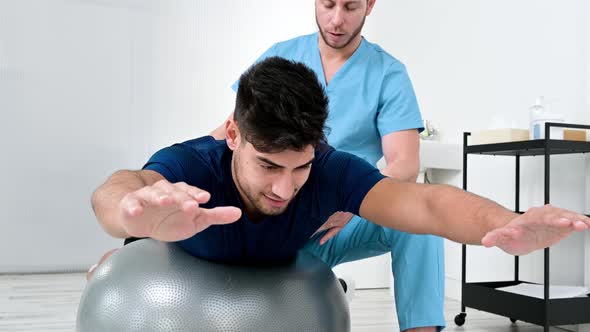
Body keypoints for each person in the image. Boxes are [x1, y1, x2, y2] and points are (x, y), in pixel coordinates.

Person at [91, 57, 589, 311]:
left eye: (299, 167)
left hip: (284, 266)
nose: (286, 190)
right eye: (268, 166)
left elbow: (427, 203)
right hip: (187, 272)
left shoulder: (332, 168)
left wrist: (507, 221)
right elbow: (119, 187)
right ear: (233, 134)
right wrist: (129, 208)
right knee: (123, 254)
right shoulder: (194, 165)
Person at [208, 1, 444, 330]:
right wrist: (172, 172)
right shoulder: (281, 57)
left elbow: (404, 163)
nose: (336, 20)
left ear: (369, 5)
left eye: (349, 7)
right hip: (278, 217)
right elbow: (230, 132)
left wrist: (353, 202)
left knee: (421, 216)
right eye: (328, 4)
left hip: (339, 223)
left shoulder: (387, 73)